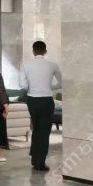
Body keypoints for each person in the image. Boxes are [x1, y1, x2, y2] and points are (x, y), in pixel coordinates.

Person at [20, 41, 62, 171]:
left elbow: (22, 85)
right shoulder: (52, 65)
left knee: (36, 129)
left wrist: (31, 88)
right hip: (46, 101)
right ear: (45, 51)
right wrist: (50, 87)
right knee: (44, 131)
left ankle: (34, 158)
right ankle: (40, 162)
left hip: (32, 100)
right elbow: (61, 82)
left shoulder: (25, 64)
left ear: (33, 51)